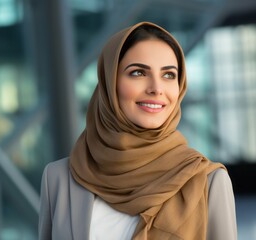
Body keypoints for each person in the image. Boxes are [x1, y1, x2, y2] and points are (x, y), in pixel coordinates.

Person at [38, 21, 237, 240]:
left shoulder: (208, 181)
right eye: (138, 73)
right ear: (109, 82)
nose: (156, 88)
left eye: (169, 75)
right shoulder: (59, 179)